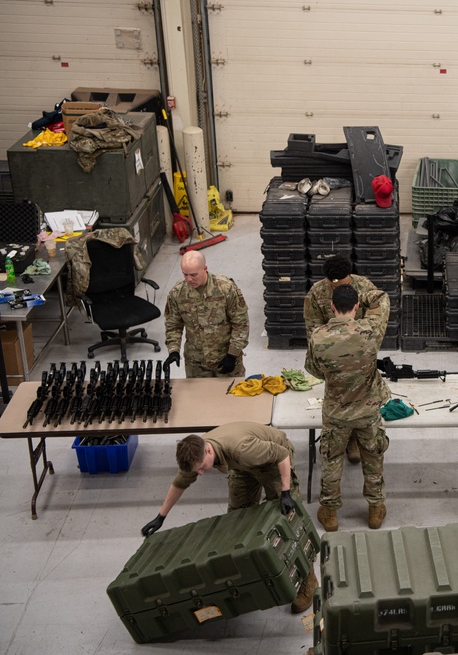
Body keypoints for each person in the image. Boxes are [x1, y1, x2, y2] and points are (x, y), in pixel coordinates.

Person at [139, 422, 316, 614]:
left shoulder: (242, 448)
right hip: (242, 467)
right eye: (196, 471)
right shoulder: (194, 454)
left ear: (208, 450)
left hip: (272, 462)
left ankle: (309, 579)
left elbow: (282, 455)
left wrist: (286, 492)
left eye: (201, 468)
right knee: (237, 519)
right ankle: (250, 573)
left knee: (288, 518)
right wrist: (161, 516)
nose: (200, 473)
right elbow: (180, 483)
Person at [305, 283, 391, 533]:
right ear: (356, 307)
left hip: (336, 412)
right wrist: (360, 296)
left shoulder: (319, 336)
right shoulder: (370, 330)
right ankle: (375, 510)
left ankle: (330, 513)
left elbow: (313, 369)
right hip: (367, 410)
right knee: (373, 457)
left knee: (331, 461)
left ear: (332, 307)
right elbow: (382, 298)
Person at [303, 254, 381, 465]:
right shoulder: (316, 294)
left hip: (358, 353)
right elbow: (312, 329)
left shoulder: (364, 286)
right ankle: (345, 441)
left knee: (360, 399)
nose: (337, 285)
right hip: (333, 356)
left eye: (342, 282)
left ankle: (357, 438)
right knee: (340, 401)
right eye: (332, 283)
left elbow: (375, 315)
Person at [163, 250, 249, 377]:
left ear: (205, 268)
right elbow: (173, 325)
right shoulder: (177, 293)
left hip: (225, 357)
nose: (189, 279)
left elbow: (241, 323)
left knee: (231, 394)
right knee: (198, 396)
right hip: (196, 362)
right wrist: (173, 350)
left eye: (193, 274)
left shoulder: (225, 289)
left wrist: (233, 353)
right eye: (185, 274)